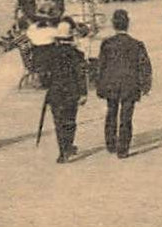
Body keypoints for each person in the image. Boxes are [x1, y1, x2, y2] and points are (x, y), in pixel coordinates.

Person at [95, 9, 152, 159]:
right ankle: (123, 148)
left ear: (113, 25)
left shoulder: (106, 43)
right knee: (126, 116)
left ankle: (111, 143)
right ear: (128, 24)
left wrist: (99, 84)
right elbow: (145, 66)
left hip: (111, 83)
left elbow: (100, 66)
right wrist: (146, 85)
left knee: (111, 112)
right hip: (130, 84)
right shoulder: (137, 44)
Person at [41, 30, 88, 163]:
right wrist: (83, 93)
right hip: (71, 92)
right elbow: (81, 75)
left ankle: (63, 151)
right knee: (70, 120)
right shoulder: (77, 55)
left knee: (58, 122)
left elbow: (44, 76)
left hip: (55, 92)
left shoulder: (50, 55)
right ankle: (68, 146)